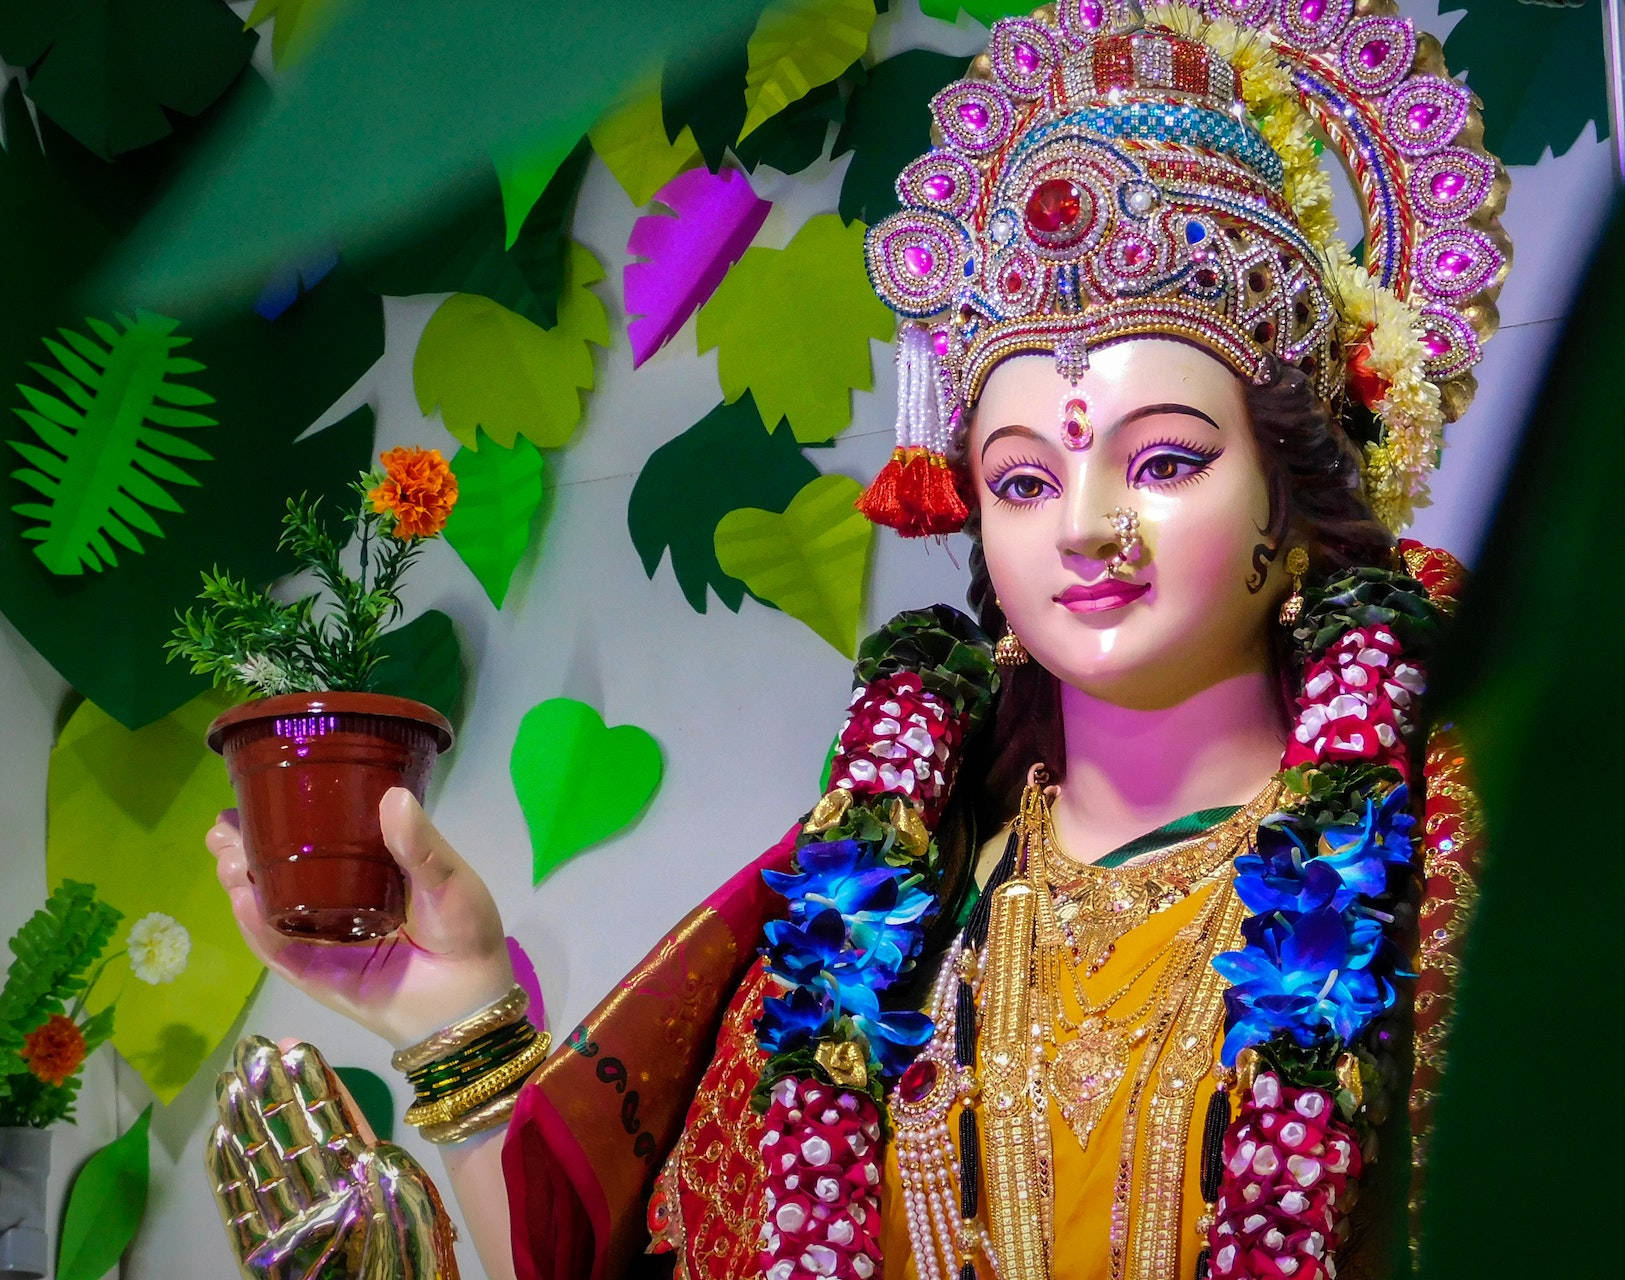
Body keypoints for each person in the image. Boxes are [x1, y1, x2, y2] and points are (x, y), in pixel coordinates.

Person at [203, 3, 1506, 1278]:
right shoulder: (901, 894)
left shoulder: (1438, 864)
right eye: (1023, 481)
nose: (1089, 529)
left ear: (1294, 491)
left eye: (1164, 460)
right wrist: (458, 1022)